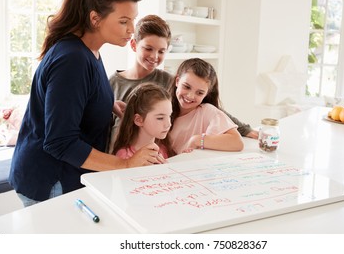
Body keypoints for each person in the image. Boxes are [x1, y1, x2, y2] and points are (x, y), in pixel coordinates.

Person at [8, 0, 160, 207]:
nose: (132, 29)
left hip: (64, 176)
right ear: (95, 18)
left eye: (133, 20)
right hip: (51, 181)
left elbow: (75, 96)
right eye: (123, 21)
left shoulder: (90, 51)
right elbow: (60, 142)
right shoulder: (72, 59)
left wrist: (107, 104)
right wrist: (127, 164)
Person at [108, 14, 258, 152]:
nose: (154, 56)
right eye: (148, 48)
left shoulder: (168, 81)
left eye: (161, 51)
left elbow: (214, 109)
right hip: (116, 156)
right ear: (134, 45)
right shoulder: (113, 83)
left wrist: (245, 129)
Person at [168, 58, 244, 154]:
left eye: (199, 93)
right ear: (177, 81)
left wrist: (196, 140)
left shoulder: (207, 111)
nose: (190, 96)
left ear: (206, 94)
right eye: (187, 87)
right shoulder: (162, 108)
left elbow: (237, 142)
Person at [112, 82, 174, 161]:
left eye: (169, 116)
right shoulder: (125, 156)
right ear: (138, 120)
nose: (168, 124)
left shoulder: (163, 149)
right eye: (160, 118)